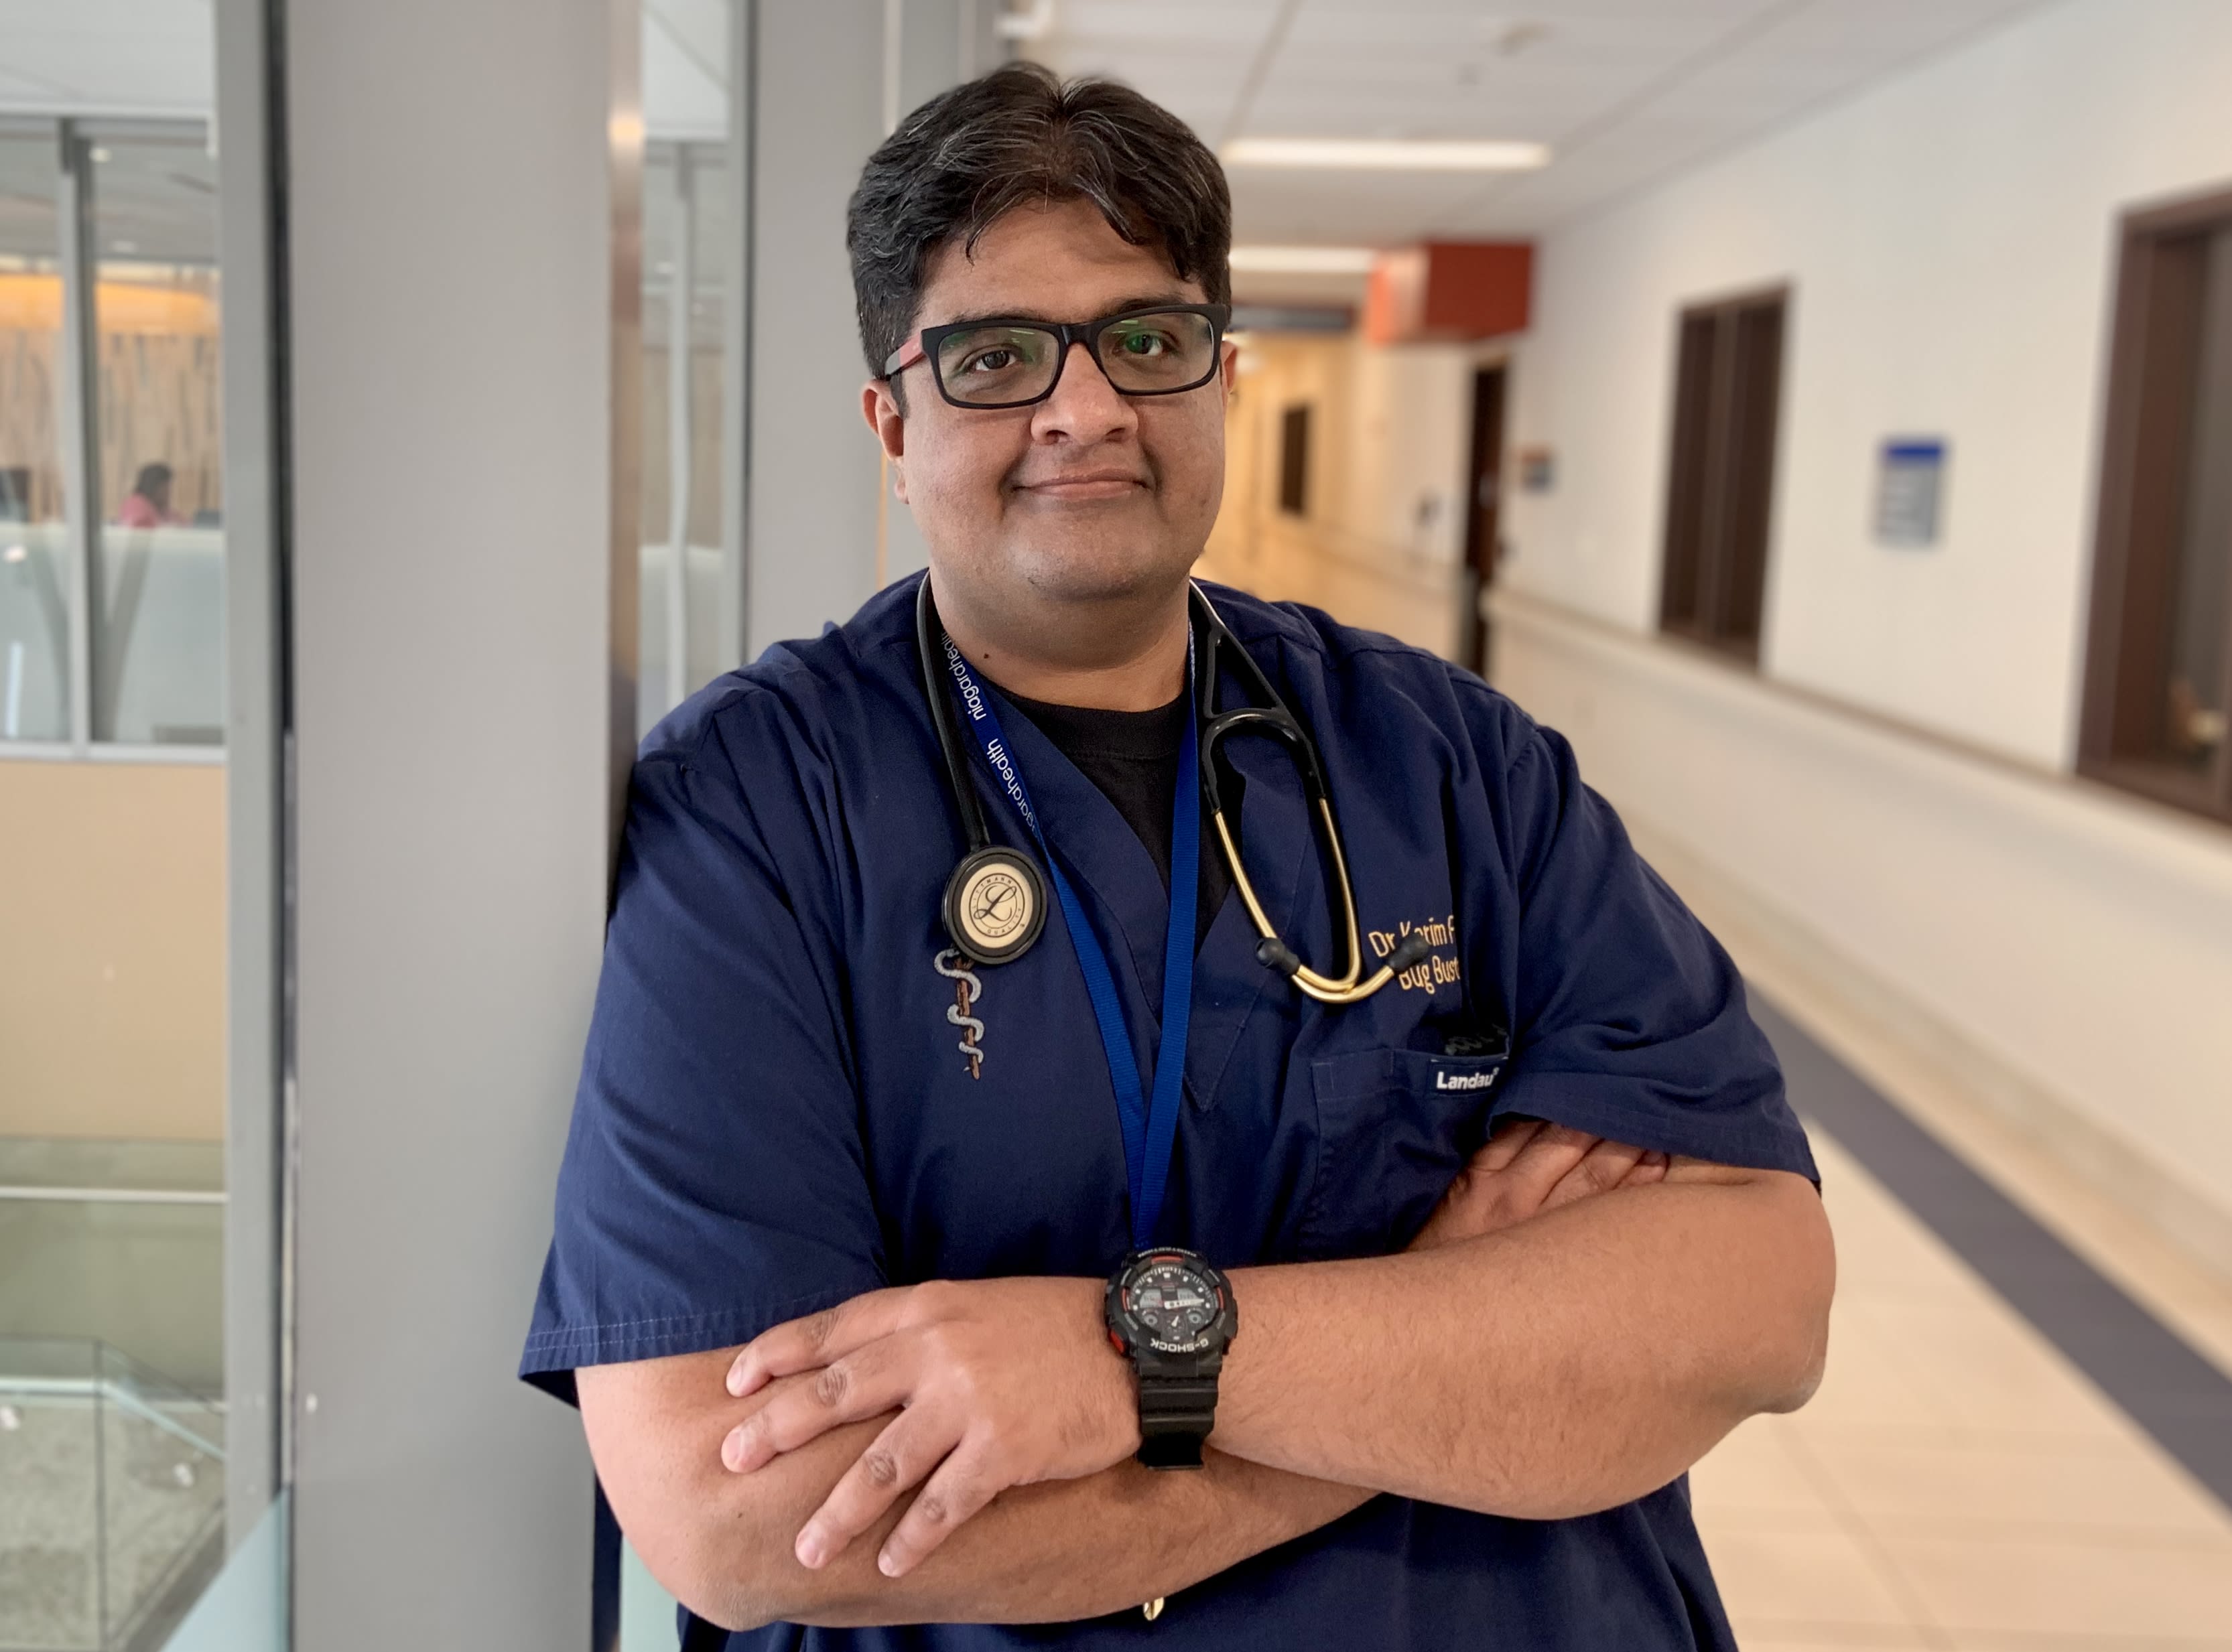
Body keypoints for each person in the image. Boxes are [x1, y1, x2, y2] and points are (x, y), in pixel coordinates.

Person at [522, 63, 1833, 1651]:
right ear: (892, 421)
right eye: (994, 356)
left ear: (1218, 376)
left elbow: (1754, 1301)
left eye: (1145, 339)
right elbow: (732, 1515)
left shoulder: (1452, 762)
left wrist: (1132, 1357)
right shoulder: (758, 806)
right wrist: (1447, 1386)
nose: (1083, 408)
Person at [116, 463, 178, 529]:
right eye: (165, 488)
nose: (168, 493)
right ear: (153, 486)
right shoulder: (136, 504)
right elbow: (138, 526)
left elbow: (178, 521)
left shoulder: (160, 509)